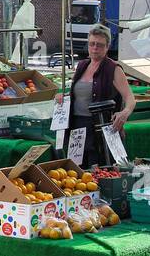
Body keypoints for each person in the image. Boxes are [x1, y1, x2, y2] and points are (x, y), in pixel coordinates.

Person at [54, 25, 136, 167]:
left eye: (99, 45)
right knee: (77, 170)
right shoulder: (82, 65)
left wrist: (124, 113)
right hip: (77, 127)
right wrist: (63, 96)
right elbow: (80, 93)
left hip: (100, 130)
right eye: (92, 44)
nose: (95, 48)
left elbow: (130, 99)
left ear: (107, 47)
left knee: (99, 170)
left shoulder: (113, 69)